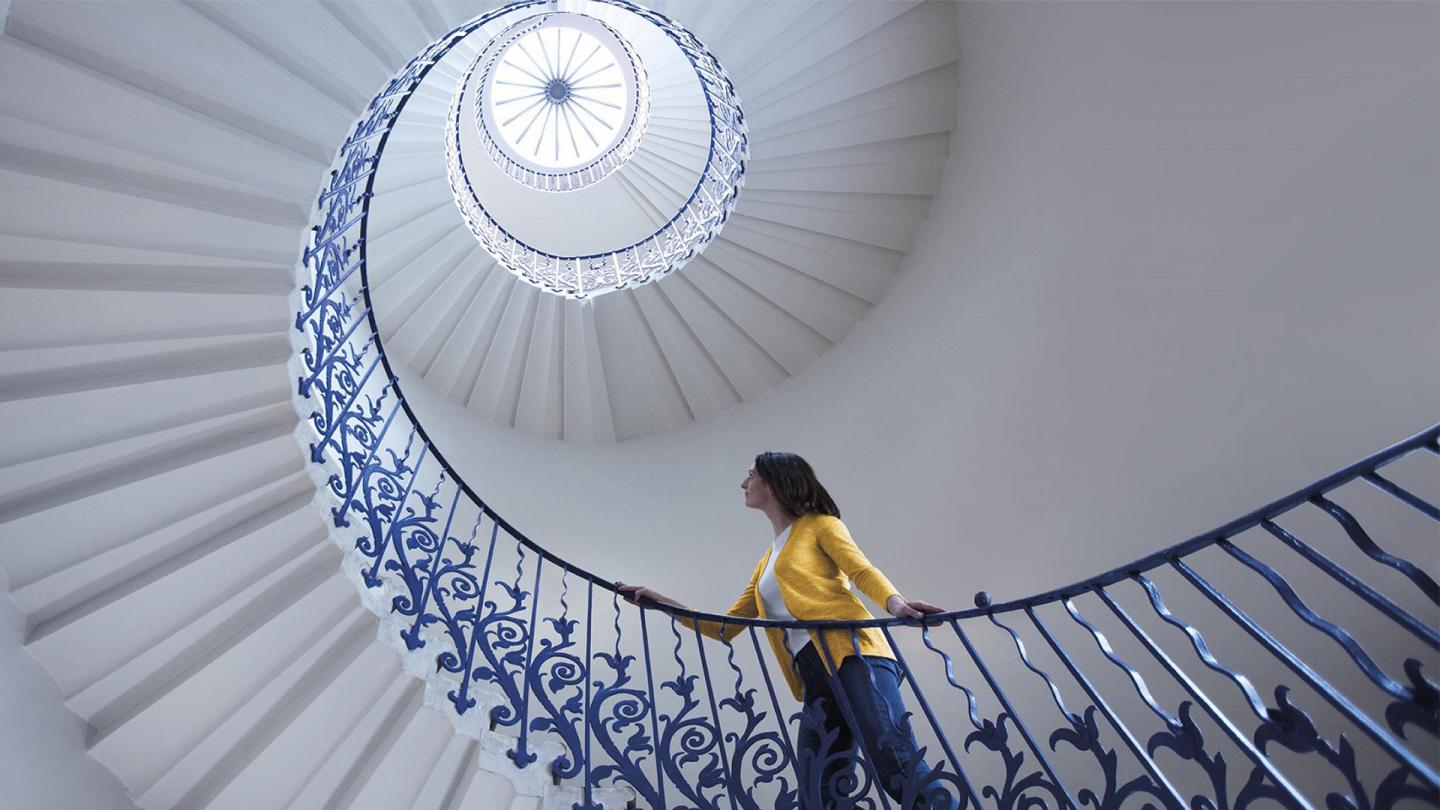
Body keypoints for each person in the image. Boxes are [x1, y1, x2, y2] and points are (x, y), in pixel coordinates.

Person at [618, 452, 958, 809]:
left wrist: (897, 604)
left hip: (853, 653)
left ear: (774, 481)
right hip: (814, 677)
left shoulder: (820, 524)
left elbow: (860, 570)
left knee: (896, 763)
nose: (743, 483)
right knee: (818, 792)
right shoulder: (766, 562)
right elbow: (725, 628)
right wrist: (663, 603)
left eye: (750, 475)